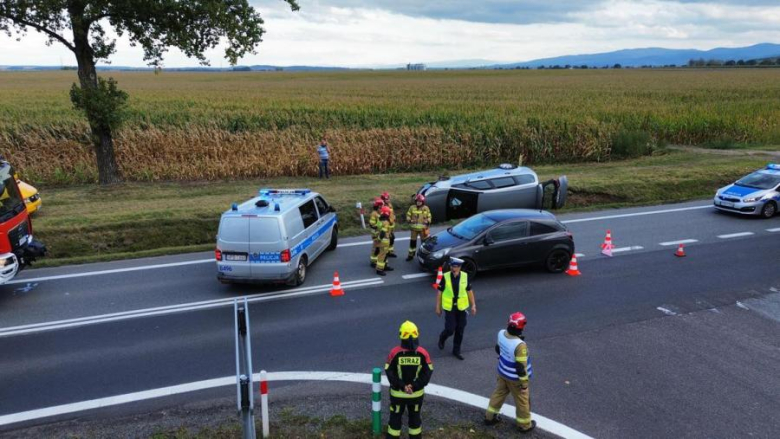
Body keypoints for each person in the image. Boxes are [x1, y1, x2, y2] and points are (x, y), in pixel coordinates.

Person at [484, 312, 536, 433]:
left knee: (498, 394)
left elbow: (498, 349)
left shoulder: (501, 333)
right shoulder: (520, 345)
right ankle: (524, 425)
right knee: (522, 400)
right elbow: (520, 367)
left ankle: (489, 417)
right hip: (515, 379)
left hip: (502, 373)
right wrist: (524, 384)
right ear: (521, 327)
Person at [385, 321, 433, 439]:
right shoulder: (423, 353)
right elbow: (427, 373)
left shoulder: (394, 353)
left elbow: (389, 371)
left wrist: (402, 386)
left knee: (395, 419)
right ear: (417, 334)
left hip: (398, 394)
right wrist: (414, 386)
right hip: (416, 395)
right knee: (415, 420)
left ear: (401, 335)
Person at [435, 257, 476, 360]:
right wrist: (438, 307)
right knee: (450, 329)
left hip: (461, 307)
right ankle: (442, 337)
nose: (454, 268)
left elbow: (469, 291)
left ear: (460, 267)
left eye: (456, 266)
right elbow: (439, 293)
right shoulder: (445, 276)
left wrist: (473, 305)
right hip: (449, 307)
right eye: (452, 266)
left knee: (460, 329)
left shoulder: (465, 276)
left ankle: (456, 351)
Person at [405, 194, 432, 261]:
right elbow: (408, 215)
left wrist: (428, 221)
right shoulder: (412, 207)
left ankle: (424, 256)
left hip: (423, 229)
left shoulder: (426, 208)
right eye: (417, 201)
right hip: (414, 229)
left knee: (424, 243)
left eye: (420, 201)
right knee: (412, 243)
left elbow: (429, 216)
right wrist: (409, 220)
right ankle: (410, 255)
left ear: (422, 202)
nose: (418, 202)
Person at [376, 206, 394, 276]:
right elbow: (383, 232)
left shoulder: (380, 220)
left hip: (383, 240)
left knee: (385, 254)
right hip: (384, 241)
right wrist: (379, 240)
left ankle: (385, 266)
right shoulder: (386, 222)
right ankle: (379, 269)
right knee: (382, 255)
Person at [380, 191, 397, 258]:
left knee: (392, 238)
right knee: (387, 239)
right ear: (383, 200)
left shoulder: (390, 205)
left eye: (388, 199)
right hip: (386, 226)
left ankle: (390, 251)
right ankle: (385, 252)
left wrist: (394, 217)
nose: (388, 200)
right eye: (386, 199)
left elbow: (392, 213)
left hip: (391, 225)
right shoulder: (381, 207)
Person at [369, 197, 385, 267]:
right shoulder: (374, 214)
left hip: (379, 233)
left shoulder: (380, 212)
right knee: (376, 248)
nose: (381, 208)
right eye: (380, 207)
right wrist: (379, 225)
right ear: (377, 207)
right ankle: (373, 261)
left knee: (378, 247)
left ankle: (376, 259)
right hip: (375, 233)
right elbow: (372, 224)